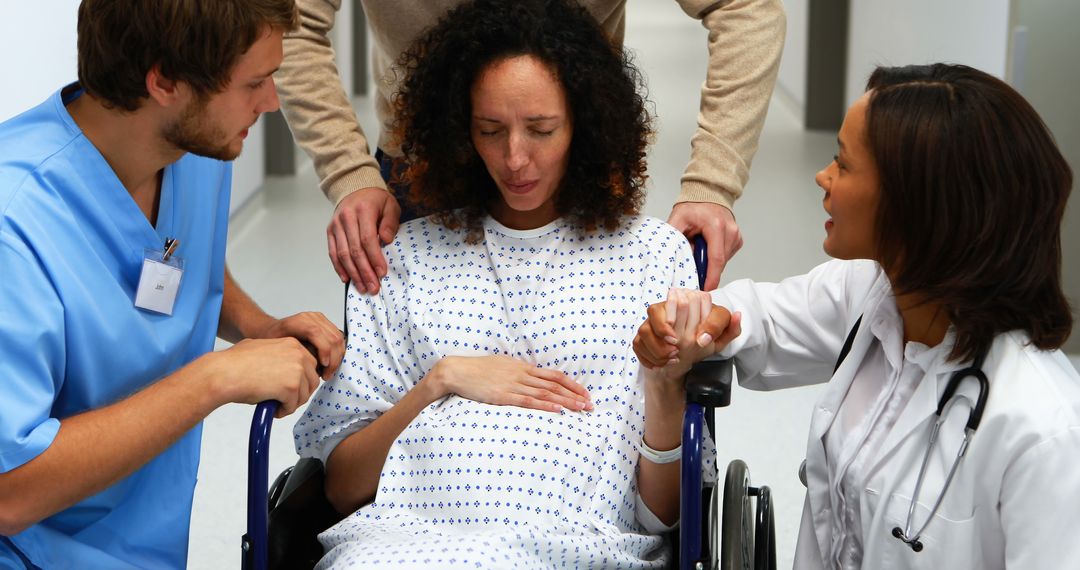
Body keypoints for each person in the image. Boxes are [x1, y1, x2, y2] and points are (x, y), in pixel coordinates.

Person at [291, 1, 716, 566]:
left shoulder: (651, 257)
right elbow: (342, 489)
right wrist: (439, 382)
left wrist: (667, 383)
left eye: (541, 130)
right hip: (395, 548)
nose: (516, 159)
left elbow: (664, 518)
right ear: (460, 131)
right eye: (490, 131)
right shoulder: (404, 261)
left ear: (584, 125)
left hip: (577, 548)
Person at [634, 63, 1080, 569]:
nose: (822, 177)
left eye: (843, 165)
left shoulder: (1045, 431)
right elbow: (757, 316)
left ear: (919, 205)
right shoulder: (874, 292)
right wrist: (701, 322)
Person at [0, 1, 346, 567]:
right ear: (164, 81)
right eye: (255, 83)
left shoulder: (196, 145)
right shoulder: (14, 224)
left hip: (142, 544)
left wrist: (257, 328)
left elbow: (171, 253)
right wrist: (214, 377)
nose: (272, 101)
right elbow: (7, 492)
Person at [276, 0, 786, 294]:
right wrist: (349, 173)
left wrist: (711, 184)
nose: (513, 159)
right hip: (426, 169)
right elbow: (290, 23)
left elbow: (745, 8)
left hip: (577, 167)